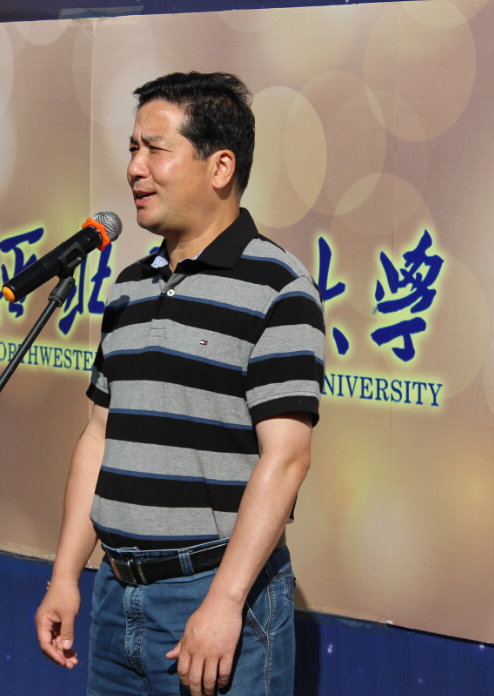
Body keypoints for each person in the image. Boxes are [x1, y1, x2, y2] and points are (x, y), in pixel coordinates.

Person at [35, 71, 324, 696]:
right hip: (115, 597)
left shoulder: (279, 288)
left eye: (155, 149)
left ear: (220, 167)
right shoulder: (129, 288)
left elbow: (286, 459)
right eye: (132, 149)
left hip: (213, 598)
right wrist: (65, 576)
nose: (135, 168)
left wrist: (224, 602)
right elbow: (99, 437)